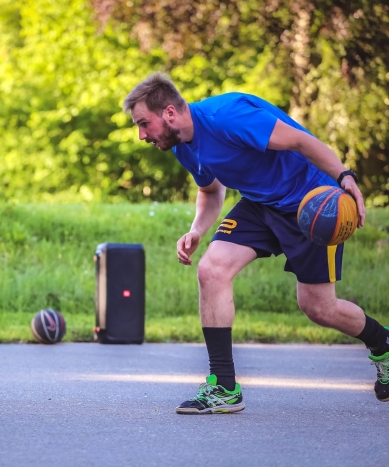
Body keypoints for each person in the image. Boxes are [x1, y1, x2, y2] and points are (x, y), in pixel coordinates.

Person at [123, 72, 389, 414]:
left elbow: (301, 142)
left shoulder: (228, 116)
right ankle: (224, 386)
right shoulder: (185, 147)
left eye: (144, 123)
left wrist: (345, 177)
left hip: (312, 204)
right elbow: (210, 191)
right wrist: (197, 230)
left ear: (170, 113)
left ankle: (383, 343)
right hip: (261, 205)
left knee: (318, 308)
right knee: (211, 269)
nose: (142, 134)